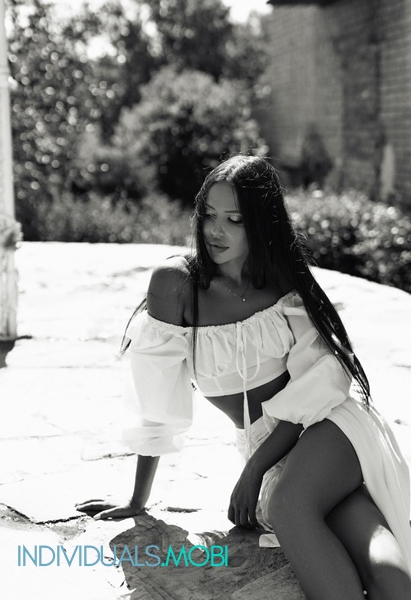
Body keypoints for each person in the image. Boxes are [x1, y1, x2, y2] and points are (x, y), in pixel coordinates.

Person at [76, 155, 411, 599]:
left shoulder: (282, 280)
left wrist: (254, 469)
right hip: (278, 462)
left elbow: (321, 385)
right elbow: (156, 396)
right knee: (390, 579)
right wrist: (138, 500)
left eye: (234, 220)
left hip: (327, 428)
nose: (216, 231)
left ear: (261, 223)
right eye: (209, 215)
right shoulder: (176, 286)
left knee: (291, 507)